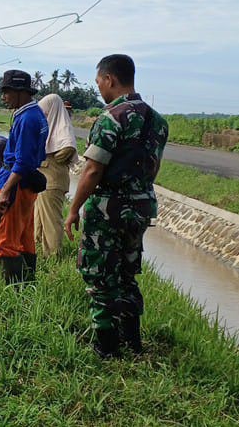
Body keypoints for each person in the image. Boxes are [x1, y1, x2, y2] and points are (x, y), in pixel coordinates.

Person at [65, 54, 168, 359]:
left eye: (99, 82)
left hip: (109, 207)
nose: (99, 88)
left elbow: (93, 170)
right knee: (126, 273)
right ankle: (133, 343)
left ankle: (106, 348)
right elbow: (154, 167)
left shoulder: (111, 118)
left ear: (109, 79)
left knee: (101, 275)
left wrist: (74, 210)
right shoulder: (158, 121)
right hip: (141, 206)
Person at [0, 69, 48, 284]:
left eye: (7, 91)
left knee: (4, 238)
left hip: (16, 184)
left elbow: (22, 161)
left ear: (21, 91)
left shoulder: (28, 118)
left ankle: (13, 292)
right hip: (26, 184)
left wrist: (6, 191)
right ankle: (28, 283)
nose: (3, 97)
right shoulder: (32, 114)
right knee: (23, 236)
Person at [34, 94, 77, 258]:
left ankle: (53, 255)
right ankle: (39, 249)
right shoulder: (53, 129)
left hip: (51, 180)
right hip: (46, 180)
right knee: (39, 218)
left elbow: (67, 149)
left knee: (51, 221)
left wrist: (46, 156)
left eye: (45, 113)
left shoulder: (62, 129)